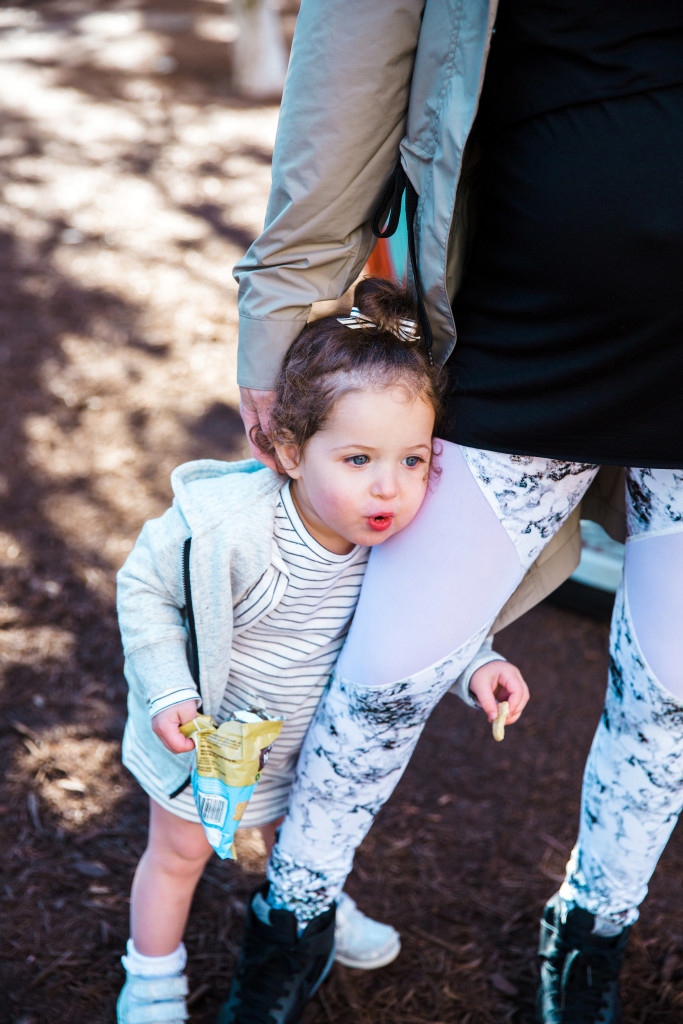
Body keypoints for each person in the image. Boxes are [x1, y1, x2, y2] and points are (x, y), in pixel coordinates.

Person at [227, 2, 683, 1022]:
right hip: (526, 325)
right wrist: (286, 290)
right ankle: (288, 919)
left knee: (670, 696)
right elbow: (354, 43)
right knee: (383, 675)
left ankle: (591, 930)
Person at [115, 277, 529, 1024]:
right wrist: (169, 690)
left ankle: (319, 908)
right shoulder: (229, 528)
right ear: (286, 448)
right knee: (177, 858)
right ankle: (150, 978)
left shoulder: (401, 542)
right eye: (358, 459)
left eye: (412, 461)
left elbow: (426, 620)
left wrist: (478, 665)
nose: (389, 489)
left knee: (303, 846)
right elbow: (144, 590)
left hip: (312, 751)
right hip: (207, 742)